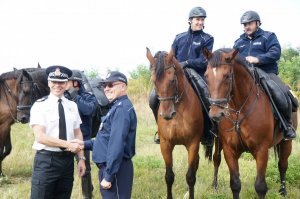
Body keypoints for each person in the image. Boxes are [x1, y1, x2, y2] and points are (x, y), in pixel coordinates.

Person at [149, 6, 215, 145]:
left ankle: (209, 131)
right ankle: (160, 130)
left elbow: (204, 61)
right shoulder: (179, 38)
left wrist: (186, 63)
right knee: (153, 98)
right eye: (197, 19)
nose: (200, 22)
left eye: (202, 20)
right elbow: (171, 55)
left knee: (206, 96)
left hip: (196, 73)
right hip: (176, 73)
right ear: (190, 20)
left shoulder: (207, 38)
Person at [72, 71, 137, 199]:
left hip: (115, 170)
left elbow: (116, 145)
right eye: (104, 85)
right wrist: (84, 144)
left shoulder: (121, 109)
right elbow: (106, 140)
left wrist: (109, 176)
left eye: (111, 85)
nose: (106, 88)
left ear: (123, 87)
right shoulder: (116, 106)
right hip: (111, 167)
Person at [233, 10, 296, 140]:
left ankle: (287, 126)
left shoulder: (268, 36)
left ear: (257, 23)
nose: (247, 27)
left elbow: (275, 52)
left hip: (267, 73)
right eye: (244, 25)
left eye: (249, 23)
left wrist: (258, 59)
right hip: (246, 76)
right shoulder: (239, 42)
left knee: (282, 92)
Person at [30, 65, 86, 199]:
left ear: (66, 84)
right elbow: (41, 137)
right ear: (49, 83)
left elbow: (77, 133)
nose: (57, 85)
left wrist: (81, 158)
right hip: (46, 161)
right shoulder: (40, 105)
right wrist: (68, 144)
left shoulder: (72, 106)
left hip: (67, 162)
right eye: (54, 82)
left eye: (61, 82)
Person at [65, 70, 98, 199]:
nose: (65, 84)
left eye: (68, 81)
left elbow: (88, 110)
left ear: (75, 83)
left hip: (83, 140)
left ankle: (87, 195)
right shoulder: (64, 98)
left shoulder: (88, 96)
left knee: (85, 169)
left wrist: (75, 96)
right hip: (66, 139)